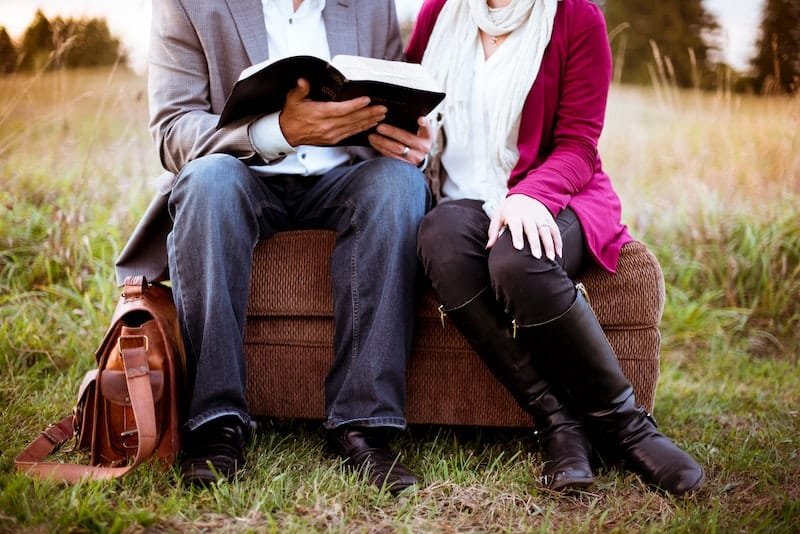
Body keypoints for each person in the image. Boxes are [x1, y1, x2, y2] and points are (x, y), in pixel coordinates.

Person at [115, 0, 433, 493]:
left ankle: (363, 425)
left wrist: (405, 137)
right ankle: (216, 422)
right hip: (241, 173)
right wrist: (278, 131)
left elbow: (392, 102)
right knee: (207, 182)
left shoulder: (373, 5)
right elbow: (172, 131)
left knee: (399, 186)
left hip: (343, 177)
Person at [396, 0, 704, 495]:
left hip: (557, 194)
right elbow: (407, 105)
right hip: (461, 202)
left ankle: (625, 424)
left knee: (517, 258)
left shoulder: (577, 16)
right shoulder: (440, 14)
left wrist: (529, 196)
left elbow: (579, 144)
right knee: (440, 239)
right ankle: (559, 422)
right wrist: (406, 138)